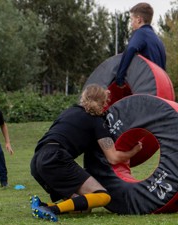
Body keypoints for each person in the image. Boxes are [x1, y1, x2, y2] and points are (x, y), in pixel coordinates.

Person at [30, 84, 142, 222]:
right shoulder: (97, 122)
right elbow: (113, 158)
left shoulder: (70, 111)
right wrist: (134, 151)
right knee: (103, 196)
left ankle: (41, 205)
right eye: (105, 102)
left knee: (83, 207)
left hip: (36, 161)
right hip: (55, 158)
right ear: (102, 103)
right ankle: (50, 210)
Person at [116, 2, 166, 87]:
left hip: (146, 87)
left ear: (139, 19)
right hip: (160, 87)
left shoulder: (140, 33)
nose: (131, 23)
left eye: (131, 19)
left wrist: (119, 78)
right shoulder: (158, 40)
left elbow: (130, 49)